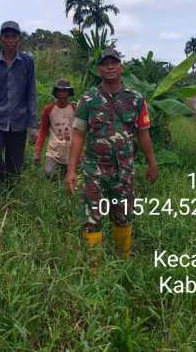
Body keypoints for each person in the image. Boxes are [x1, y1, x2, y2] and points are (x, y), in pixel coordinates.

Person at [65, 48, 159, 259]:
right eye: (105, 63)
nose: (109, 67)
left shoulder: (136, 99)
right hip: (94, 170)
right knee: (92, 218)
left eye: (113, 62)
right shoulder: (88, 100)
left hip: (124, 170)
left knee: (123, 216)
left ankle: (123, 259)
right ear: (99, 70)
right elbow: (78, 135)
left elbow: (143, 134)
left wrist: (152, 163)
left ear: (121, 67)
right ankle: (94, 268)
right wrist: (71, 170)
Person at [0, 21, 38, 185]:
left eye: (14, 36)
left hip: (19, 121)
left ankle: (8, 194)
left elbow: (31, 93)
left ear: (19, 39)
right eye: (6, 36)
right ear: (1, 39)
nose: (10, 40)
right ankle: (1, 176)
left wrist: (33, 126)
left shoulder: (27, 62)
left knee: (15, 169)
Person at [34, 78, 76, 178]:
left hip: (69, 151)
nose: (62, 93)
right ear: (55, 92)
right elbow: (43, 131)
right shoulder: (48, 109)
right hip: (53, 151)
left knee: (70, 177)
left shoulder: (75, 109)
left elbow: (80, 133)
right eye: (59, 90)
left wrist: (81, 152)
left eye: (64, 90)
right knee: (49, 173)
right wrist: (38, 152)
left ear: (69, 92)